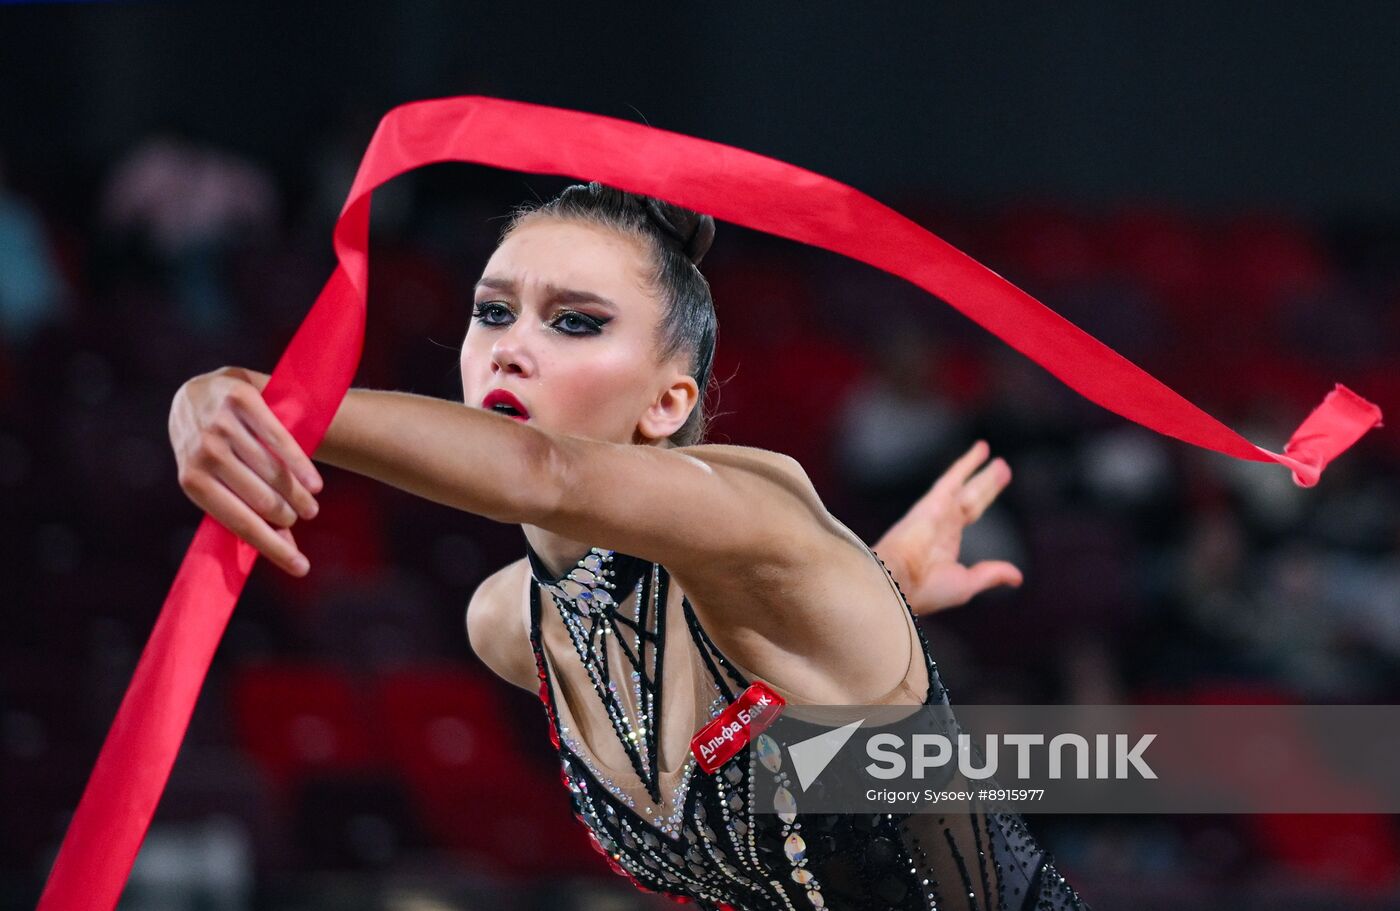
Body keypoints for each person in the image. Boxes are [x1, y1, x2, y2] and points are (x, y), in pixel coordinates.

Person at [168, 182, 1089, 910]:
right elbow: (798, 707)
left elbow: (546, 473)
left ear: (669, 404)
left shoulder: (759, 505)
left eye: (575, 321)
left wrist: (255, 396)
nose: (511, 348)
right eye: (493, 312)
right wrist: (869, 595)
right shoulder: (510, 623)